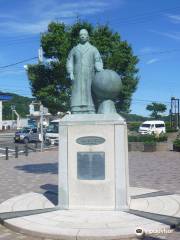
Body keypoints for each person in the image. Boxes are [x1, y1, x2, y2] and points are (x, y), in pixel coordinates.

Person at [66, 29, 103, 114]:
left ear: (88, 36)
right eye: (81, 35)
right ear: (79, 37)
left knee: (89, 91)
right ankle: (75, 109)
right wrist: (70, 72)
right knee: (77, 91)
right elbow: (69, 61)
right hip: (77, 75)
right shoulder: (74, 49)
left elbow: (98, 60)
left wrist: (99, 69)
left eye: (84, 34)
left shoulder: (93, 49)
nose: (82, 36)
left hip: (90, 75)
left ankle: (91, 108)